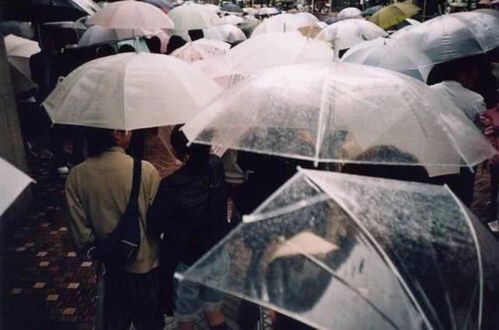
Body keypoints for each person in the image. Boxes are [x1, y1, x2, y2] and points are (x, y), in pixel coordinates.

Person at [65, 128, 163, 330]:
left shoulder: (77, 175)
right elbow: (159, 222)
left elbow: (81, 232)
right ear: (116, 134)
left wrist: (101, 249)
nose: (131, 132)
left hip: (111, 269)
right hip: (145, 266)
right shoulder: (146, 170)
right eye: (125, 129)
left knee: (115, 323)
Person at [148, 125, 229, 330]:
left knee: (186, 319)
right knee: (214, 311)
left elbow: (154, 225)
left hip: (187, 262)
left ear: (176, 150)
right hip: (217, 254)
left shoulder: (171, 185)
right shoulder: (216, 166)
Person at [429, 56, 487, 207]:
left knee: (438, 198)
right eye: (473, 72)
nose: (476, 76)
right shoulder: (475, 99)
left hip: (435, 156)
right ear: (461, 73)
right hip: (464, 160)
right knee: (462, 200)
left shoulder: (428, 91)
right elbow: (480, 134)